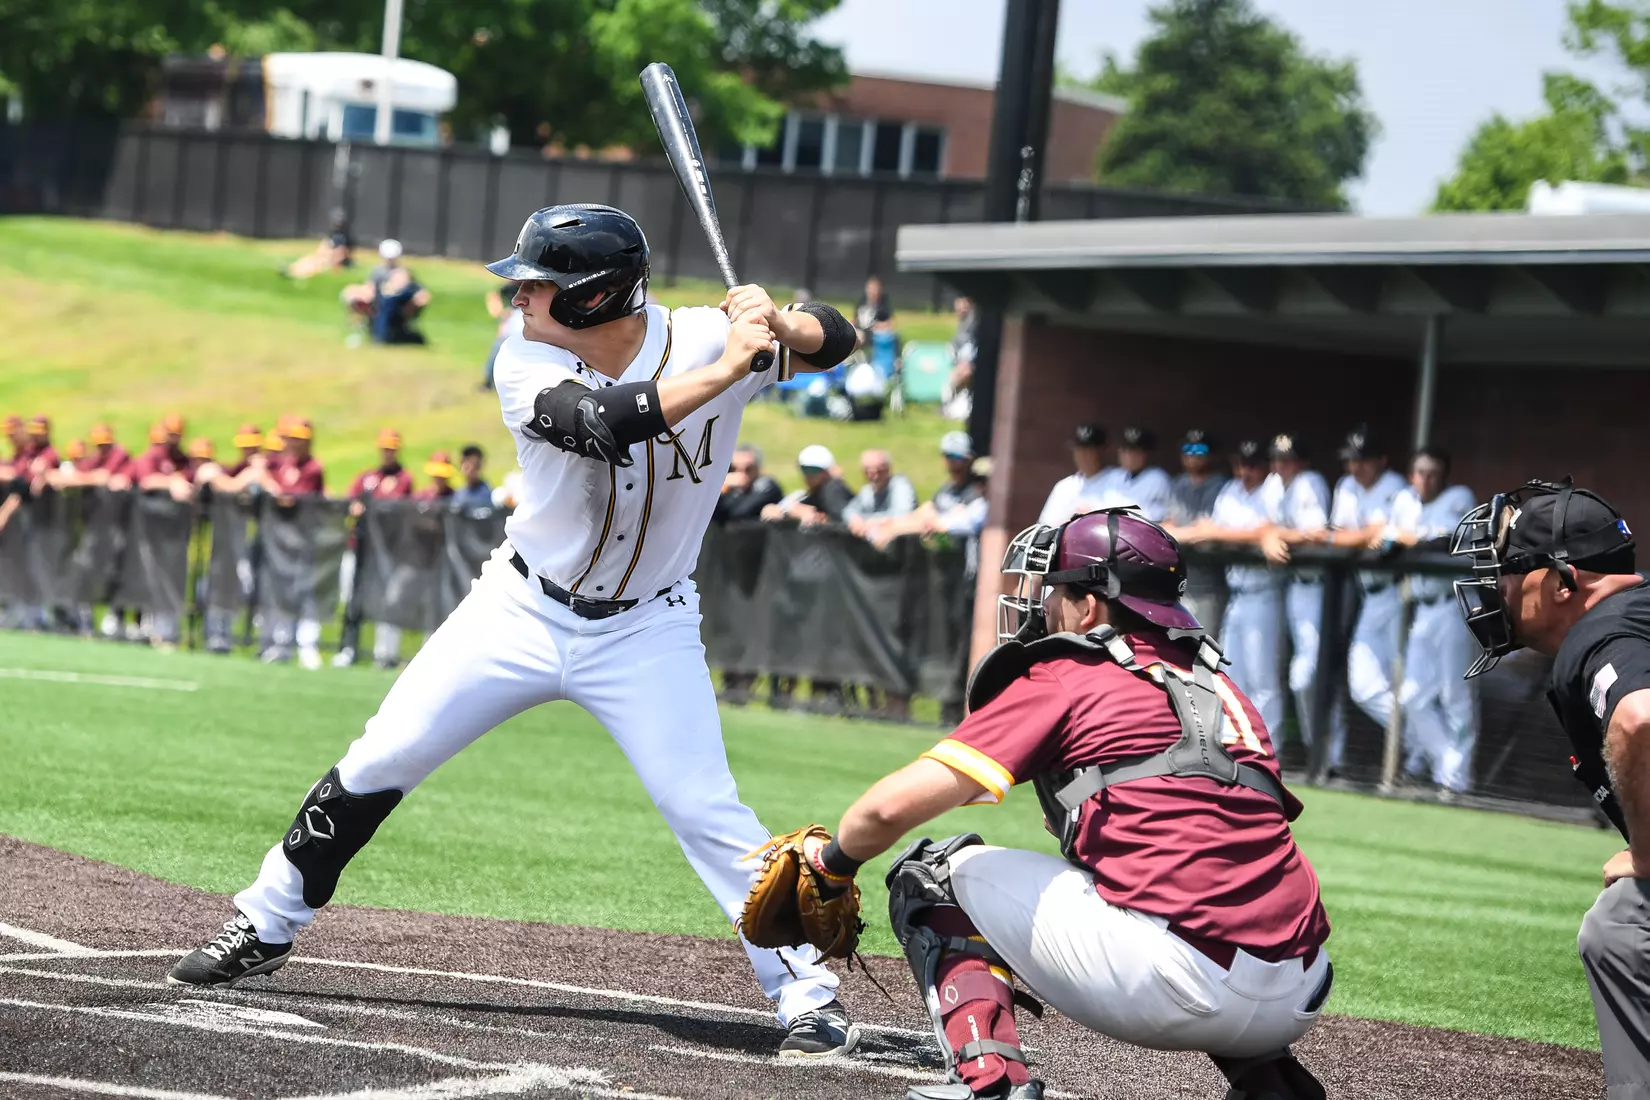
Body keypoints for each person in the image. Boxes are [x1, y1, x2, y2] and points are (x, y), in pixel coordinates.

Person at [167, 202, 865, 1058]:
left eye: (538, 285)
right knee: (383, 756)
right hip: (520, 609)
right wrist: (730, 368)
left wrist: (777, 321)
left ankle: (805, 991)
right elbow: (605, 424)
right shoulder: (527, 358)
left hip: (648, 627)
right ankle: (264, 921)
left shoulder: (703, 335)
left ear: (595, 296)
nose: (519, 297)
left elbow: (841, 341)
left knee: (704, 807)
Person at [784, 509, 1332, 1100]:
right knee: (1196, 893)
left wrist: (833, 863)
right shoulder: (1224, 684)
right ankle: (1271, 1082)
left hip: (1178, 986)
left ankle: (988, 1084)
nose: (1043, 606)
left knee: (931, 873)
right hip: (1300, 989)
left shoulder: (1070, 673)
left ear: (1089, 607)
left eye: (1055, 591)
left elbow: (883, 813)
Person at [1452, 477, 1648, 1100]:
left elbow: (1641, 718)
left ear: (1564, 582)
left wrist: (1647, 852)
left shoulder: (1601, 637)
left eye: (1511, 570)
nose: (1498, 587)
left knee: (1621, 928)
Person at [1381, 448, 1478, 791]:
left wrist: (1407, 540)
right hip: (1421, 608)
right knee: (1412, 697)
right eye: (1420, 472)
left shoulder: (1458, 496)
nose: (1426, 479)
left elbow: (1445, 542)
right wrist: (1402, 542)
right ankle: (1447, 765)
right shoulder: (1404, 501)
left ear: (1444, 476)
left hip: (1453, 605)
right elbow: (1385, 547)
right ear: (1411, 475)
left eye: (1433, 473)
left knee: (1456, 696)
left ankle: (1457, 781)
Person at [1176, 440, 1287, 734]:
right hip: (1237, 593)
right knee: (1230, 672)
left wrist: (1222, 533)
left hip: (1265, 592)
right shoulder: (1232, 490)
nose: (1245, 470)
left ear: (1265, 467)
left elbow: (1269, 530)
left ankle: (1269, 746)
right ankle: (1233, 742)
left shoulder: (1273, 489)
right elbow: (1208, 531)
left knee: (1263, 679)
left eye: (1252, 465)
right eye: (1241, 464)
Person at [1329, 427, 1408, 749]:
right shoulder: (1346, 485)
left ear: (1381, 461)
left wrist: (1357, 536)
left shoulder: (1397, 488)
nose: (1356, 467)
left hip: (1400, 595)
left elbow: (1382, 535)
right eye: (1351, 460)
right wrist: (1362, 536)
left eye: (1363, 460)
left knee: (1409, 687)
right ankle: (1416, 743)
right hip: (1368, 596)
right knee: (1363, 687)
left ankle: (1419, 755)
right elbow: (1335, 537)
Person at [335, 429, 418, 670]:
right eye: (385, 448)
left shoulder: (404, 479)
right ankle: (349, 648)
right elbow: (351, 501)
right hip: (360, 548)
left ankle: (385, 653)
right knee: (352, 598)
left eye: (392, 448)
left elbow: (399, 511)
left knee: (388, 602)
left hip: (388, 551)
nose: (388, 453)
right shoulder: (368, 477)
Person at [257, 418, 326, 670]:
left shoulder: (312, 468)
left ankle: (308, 646)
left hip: (303, 542)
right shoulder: (283, 464)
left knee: (305, 593)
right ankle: (280, 643)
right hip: (280, 543)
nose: (294, 444)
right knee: (279, 592)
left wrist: (273, 488)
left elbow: (289, 499)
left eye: (299, 440)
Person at [1165, 429, 1230, 638]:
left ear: (1212, 455)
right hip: (1180, 588)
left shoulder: (1221, 486)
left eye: (1200, 449)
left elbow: (1206, 532)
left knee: (1204, 657)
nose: (1193, 454)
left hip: (1210, 587)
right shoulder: (1178, 484)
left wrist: (1179, 533)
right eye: (1187, 449)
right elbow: (1167, 526)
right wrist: (1186, 532)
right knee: (1175, 657)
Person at [344, 240, 431, 346]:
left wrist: (410, 306)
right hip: (379, 307)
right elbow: (369, 289)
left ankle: (382, 337)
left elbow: (421, 295)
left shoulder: (403, 273)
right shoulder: (378, 271)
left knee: (388, 300)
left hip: (396, 310)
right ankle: (372, 332)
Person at [762, 444, 854, 527]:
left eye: (813, 470)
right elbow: (770, 511)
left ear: (828, 471)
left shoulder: (834, 490)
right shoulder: (800, 495)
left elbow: (844, 519)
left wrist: (818, 517)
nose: (808, 475)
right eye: (804, 469)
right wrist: (787, 512)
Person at [1037, 423, 1109, 527]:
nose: (1084, 455)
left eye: (1090, 450)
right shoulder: (1064, 486)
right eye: (1080, 450)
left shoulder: (1120, 481)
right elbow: (1045, 526)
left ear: (1102, 451)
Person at [1096, 426, 1172, 521]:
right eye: (1125, 450)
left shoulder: (1159, 479)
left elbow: (1161, 517)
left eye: (1134, 451)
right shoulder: (1115, 476)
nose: (1128, 456)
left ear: (1146, 453)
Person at [844, 449, 917, 538]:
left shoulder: (900, 485)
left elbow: (903, 514)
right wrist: (855, 519)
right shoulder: (868, 490)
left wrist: (874, 521)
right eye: (868, 472)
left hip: (901, 540)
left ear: (888, 469)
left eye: (878, 471)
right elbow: (849, 510)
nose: (874, 477)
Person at [712, 444, 783, 523]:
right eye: (733, 468)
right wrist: (722, 488)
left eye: (748, 469)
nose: (740, 473)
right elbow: (711, 513)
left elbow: (739, 513)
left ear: (758, 469)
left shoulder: (766, 486)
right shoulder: (729, 490)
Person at [286, 209, 354, 280]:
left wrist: (331, 262)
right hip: (324, 258)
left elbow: (341, 254)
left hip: (331, 261)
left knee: (311, 265)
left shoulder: (342, 237)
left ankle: (296, 275)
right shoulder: (333, 235)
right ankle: (290, 270)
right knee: (307, 259)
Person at [481, 281, 525, 390]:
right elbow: (494, 295)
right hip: (513, 322)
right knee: (497, 351)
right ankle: (488, 381)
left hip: (524, 322)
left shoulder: (534, 286)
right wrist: (499, 313)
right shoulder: (511, 287)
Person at [941, 295, 976, 423]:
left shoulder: (974, 324)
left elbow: (972, 350)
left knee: (957, 376)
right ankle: (946, 406)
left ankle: (947, 406)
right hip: (958, 364)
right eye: (959, 304)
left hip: (970, 366)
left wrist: (966, 367)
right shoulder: (962, 325)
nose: (962, 308)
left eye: (965, 304)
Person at [451, 445, 493, 510]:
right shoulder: (458, 495)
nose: (470, 469)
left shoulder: (489, 494)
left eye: (475, 466)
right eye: (467, 466)